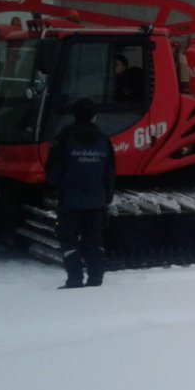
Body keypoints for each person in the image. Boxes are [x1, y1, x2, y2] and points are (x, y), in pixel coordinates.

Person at [46, 98, 116, 288]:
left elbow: (53, 170)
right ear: (94, 116)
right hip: (96, 201)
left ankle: (75, 278)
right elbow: (109, 172)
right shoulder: (104, 140)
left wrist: (56, 188)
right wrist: (106, 196)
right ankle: (96, 278)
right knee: (94, 239)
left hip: (70, 200)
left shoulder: (64, 138)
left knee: (69, 240)